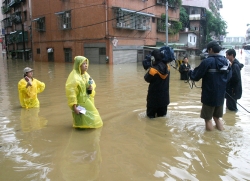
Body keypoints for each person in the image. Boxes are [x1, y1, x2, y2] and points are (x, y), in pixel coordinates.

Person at [188, 41, 232, 131]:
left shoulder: (207, 61)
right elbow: (229, 77)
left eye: (208, 50)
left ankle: (210, 140)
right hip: (221, 95)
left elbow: (195, 76)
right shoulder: (226, 61)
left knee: (208, 119)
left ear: (210, 49)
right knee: (217, 117)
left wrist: (190, 72)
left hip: (209, 95)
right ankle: (221, 133)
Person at [65, 56, 103, 128]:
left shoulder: (86, 75)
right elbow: (71, 92)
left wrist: (90, 87)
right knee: (82, 119)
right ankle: (80, 132)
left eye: (86, 63)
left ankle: (84, 131)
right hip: (80, 102)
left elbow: (92, 83)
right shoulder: (74, 77)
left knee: (92, 118)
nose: (86, 65)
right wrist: (74, 106)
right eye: (83, 64)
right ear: (78, 65)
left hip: (87, 100)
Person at [144, 49, 170, 118]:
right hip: (164, 99)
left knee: (150, 119)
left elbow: (146, 79)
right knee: (162, 118)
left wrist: (150, 66)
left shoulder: (153, 70)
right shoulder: (167, 67)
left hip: (153, 100)